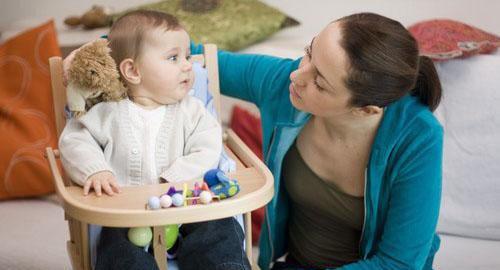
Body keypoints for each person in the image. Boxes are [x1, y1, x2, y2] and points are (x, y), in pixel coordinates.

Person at [191, 12, 443, 270]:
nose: (297, 76)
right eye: (309, 52)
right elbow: (194, 59)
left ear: (366, 110)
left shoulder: (418, 137)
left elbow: (397, 264)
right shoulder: (286, 83)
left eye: (320, 84)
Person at [59, 10, 251, 270]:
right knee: (117, 249)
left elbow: (208, 148)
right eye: (174, 57)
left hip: (189, 208)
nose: (187, 64)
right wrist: (96, 169)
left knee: (220, 229)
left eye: (186, 56)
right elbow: (74, 139)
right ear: (133, 71)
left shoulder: (192, 111)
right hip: (126, 216)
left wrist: (177, 176)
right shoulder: (109, 113)